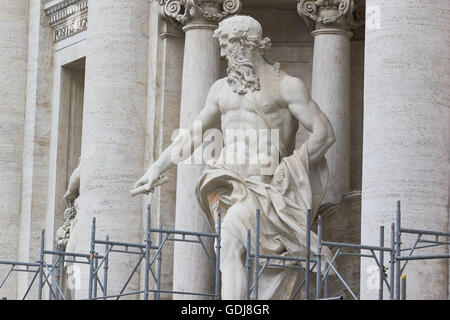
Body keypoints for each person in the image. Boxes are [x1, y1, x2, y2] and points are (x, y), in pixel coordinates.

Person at [131, 15, 335, 299]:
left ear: (248, 44)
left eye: (228, 45)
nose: (224, 53)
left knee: (231, 248)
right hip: (226, 187)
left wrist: (290, 167)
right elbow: (192, 134)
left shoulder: (286, 85)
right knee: (231, 254)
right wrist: (156, 167)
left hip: (264, 190)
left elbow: (324, 133)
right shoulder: (220, 90)